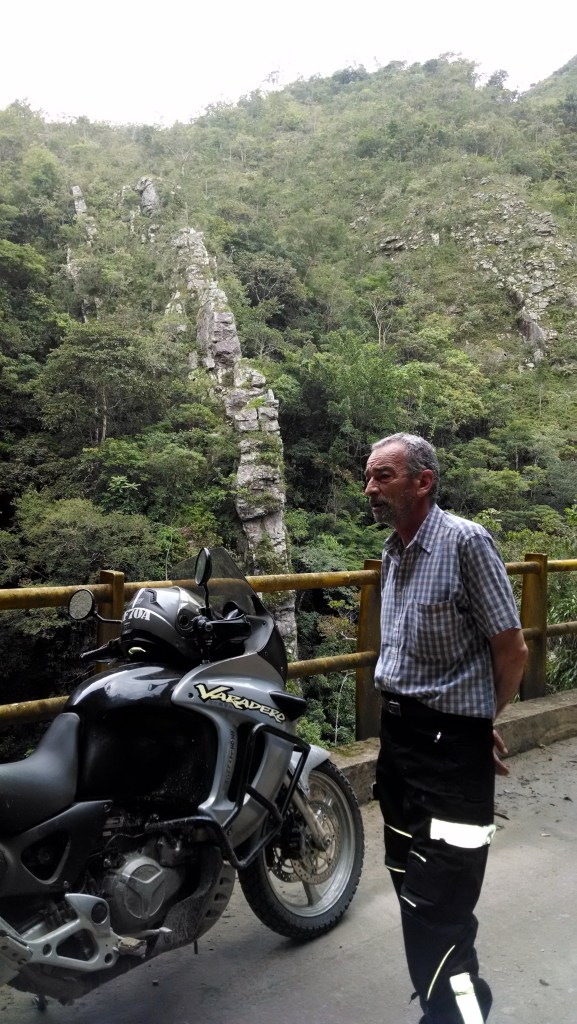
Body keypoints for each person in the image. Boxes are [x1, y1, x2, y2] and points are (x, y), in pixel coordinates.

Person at [364, 432, 528, 1024]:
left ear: (422, 481)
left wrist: (478, 722)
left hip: (451, 756)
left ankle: (459, 1017)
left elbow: (511, 651)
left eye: (383, 476)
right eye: (370, 477)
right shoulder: (393, 551)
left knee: (440, 909)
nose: (371, 489)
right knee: (411, 886)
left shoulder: (465, 543)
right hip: (400, 746)